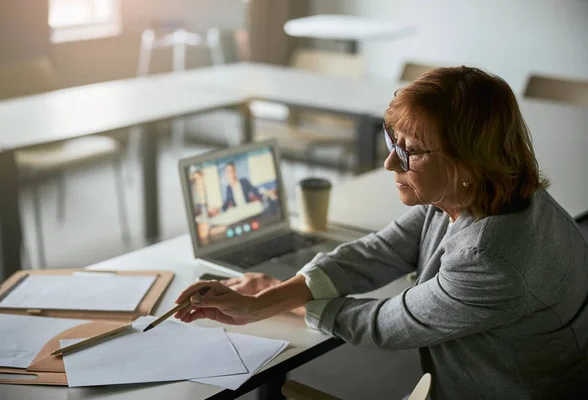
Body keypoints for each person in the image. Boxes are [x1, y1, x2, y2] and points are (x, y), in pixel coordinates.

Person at [173, 67, 588, 399]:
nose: (391, 163)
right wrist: (267, 297)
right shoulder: (482, 191)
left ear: (468, 163)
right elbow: (380, 250)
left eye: (409, 151)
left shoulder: (493, 259)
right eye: (394, 140)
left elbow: (388, 322)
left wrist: (278, 304)